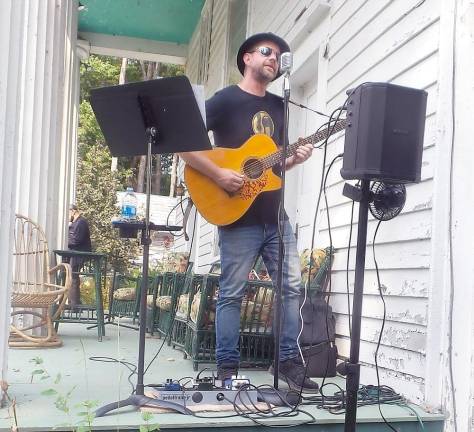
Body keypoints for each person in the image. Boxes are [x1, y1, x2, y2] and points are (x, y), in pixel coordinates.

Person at [179, 33, 317, 392]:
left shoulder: (280, 106)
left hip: (274, 217)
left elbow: (271, 168)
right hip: (236, 219)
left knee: (290, 288)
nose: (275, 57)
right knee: (231, 294)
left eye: (280, 55)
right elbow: (183, 141)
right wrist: (219, 174)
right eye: (267, 51)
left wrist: (294, 159)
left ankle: (287, 362)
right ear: (246, 58)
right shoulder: (225, 100)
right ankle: (227, 369)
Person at [68, 204, 92, 307]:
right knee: (73, 277)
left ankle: (74, 304)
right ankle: (74, 302)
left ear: (73, 211)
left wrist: (66, 239)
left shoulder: (81, 222)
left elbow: (76, 240)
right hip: (77, 253)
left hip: (79, 254)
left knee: (73, 277)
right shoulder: (77, 222)